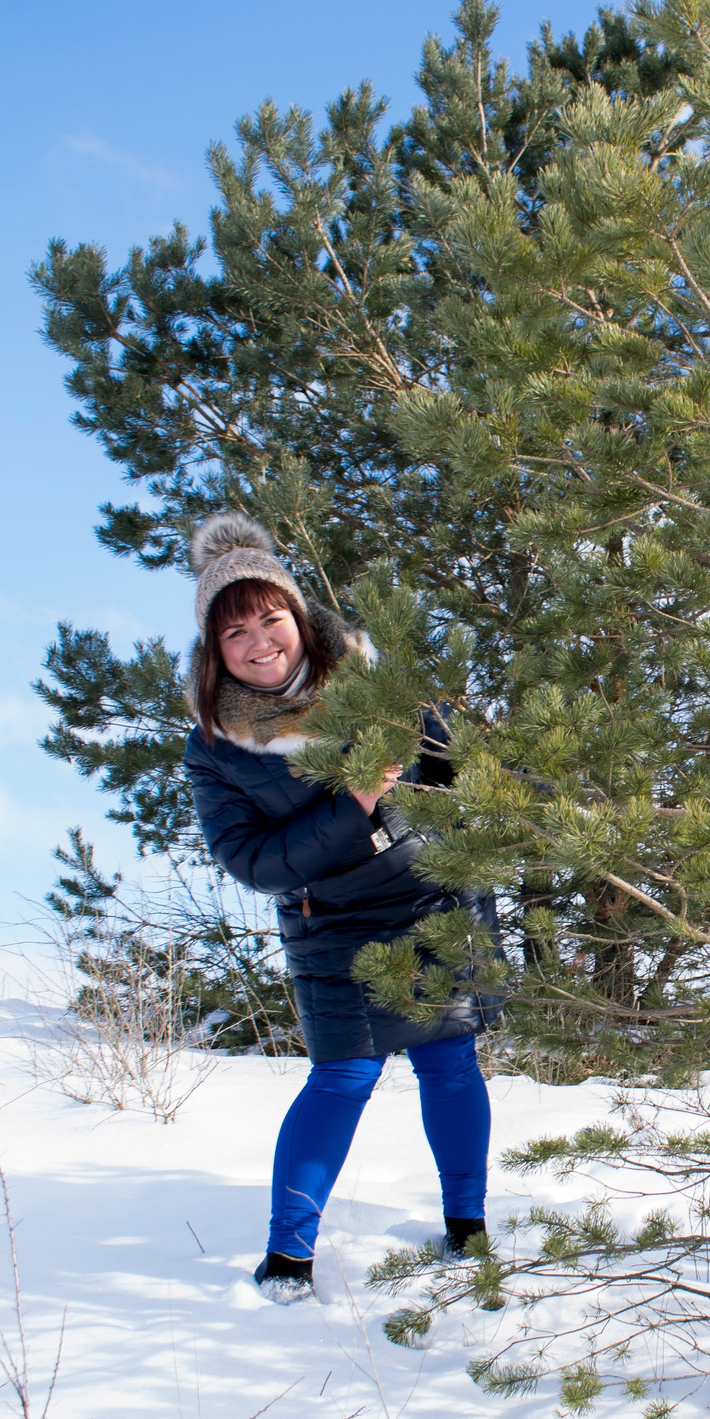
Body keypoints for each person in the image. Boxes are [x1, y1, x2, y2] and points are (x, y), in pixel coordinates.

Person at [179, 513, 497, 1304]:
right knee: (343, 1076)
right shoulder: (214, 745)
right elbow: (253, 860)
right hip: (331, 920)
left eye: (270, 618)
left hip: (426, 892)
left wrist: (461, 810)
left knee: (449, 1060)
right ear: (214, 649)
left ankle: (468, 1227)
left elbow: (457, 771)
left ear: (297, 613)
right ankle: (288, 1256)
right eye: (235, 631)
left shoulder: (372, 683)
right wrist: (353, 799)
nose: (259, 642)